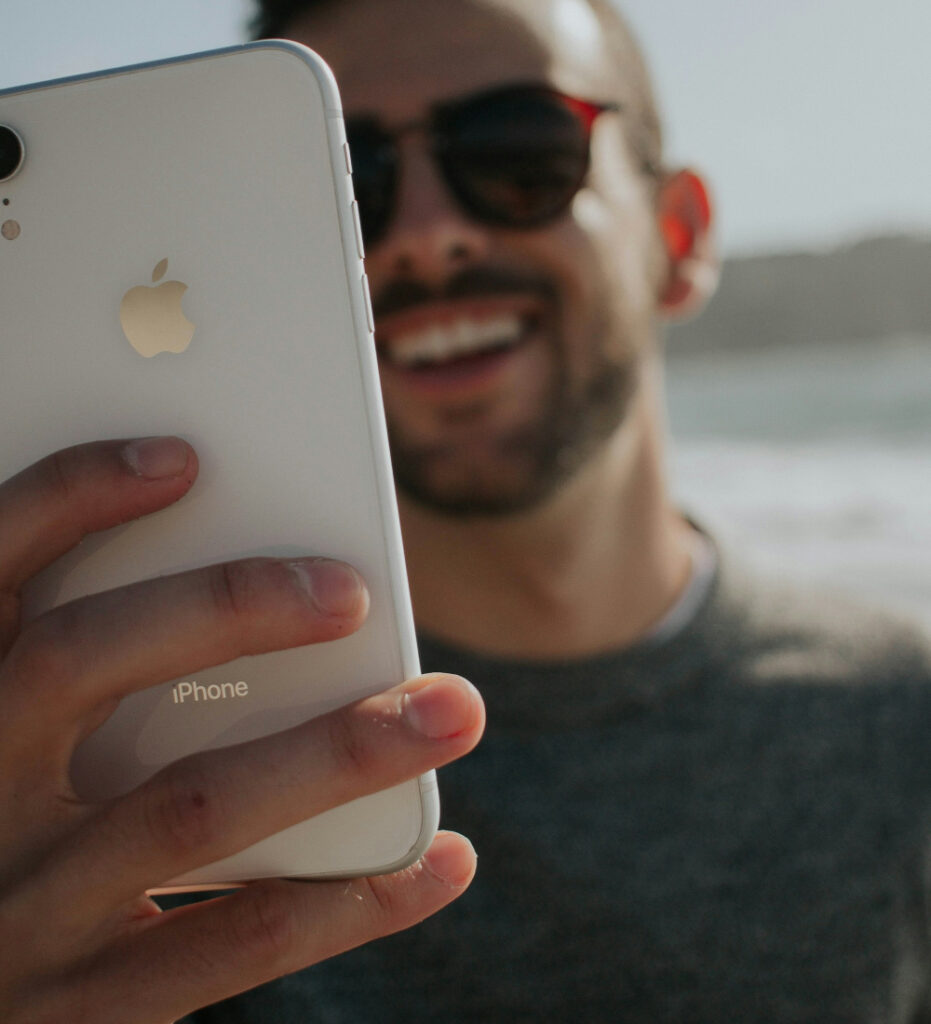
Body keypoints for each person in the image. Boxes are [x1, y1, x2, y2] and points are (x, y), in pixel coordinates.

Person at [1, 1, 929, 1022]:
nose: (429, 238)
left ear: (680, 236)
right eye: (346, 175)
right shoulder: (116, 790)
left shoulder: (900, 713)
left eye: (519, 151)